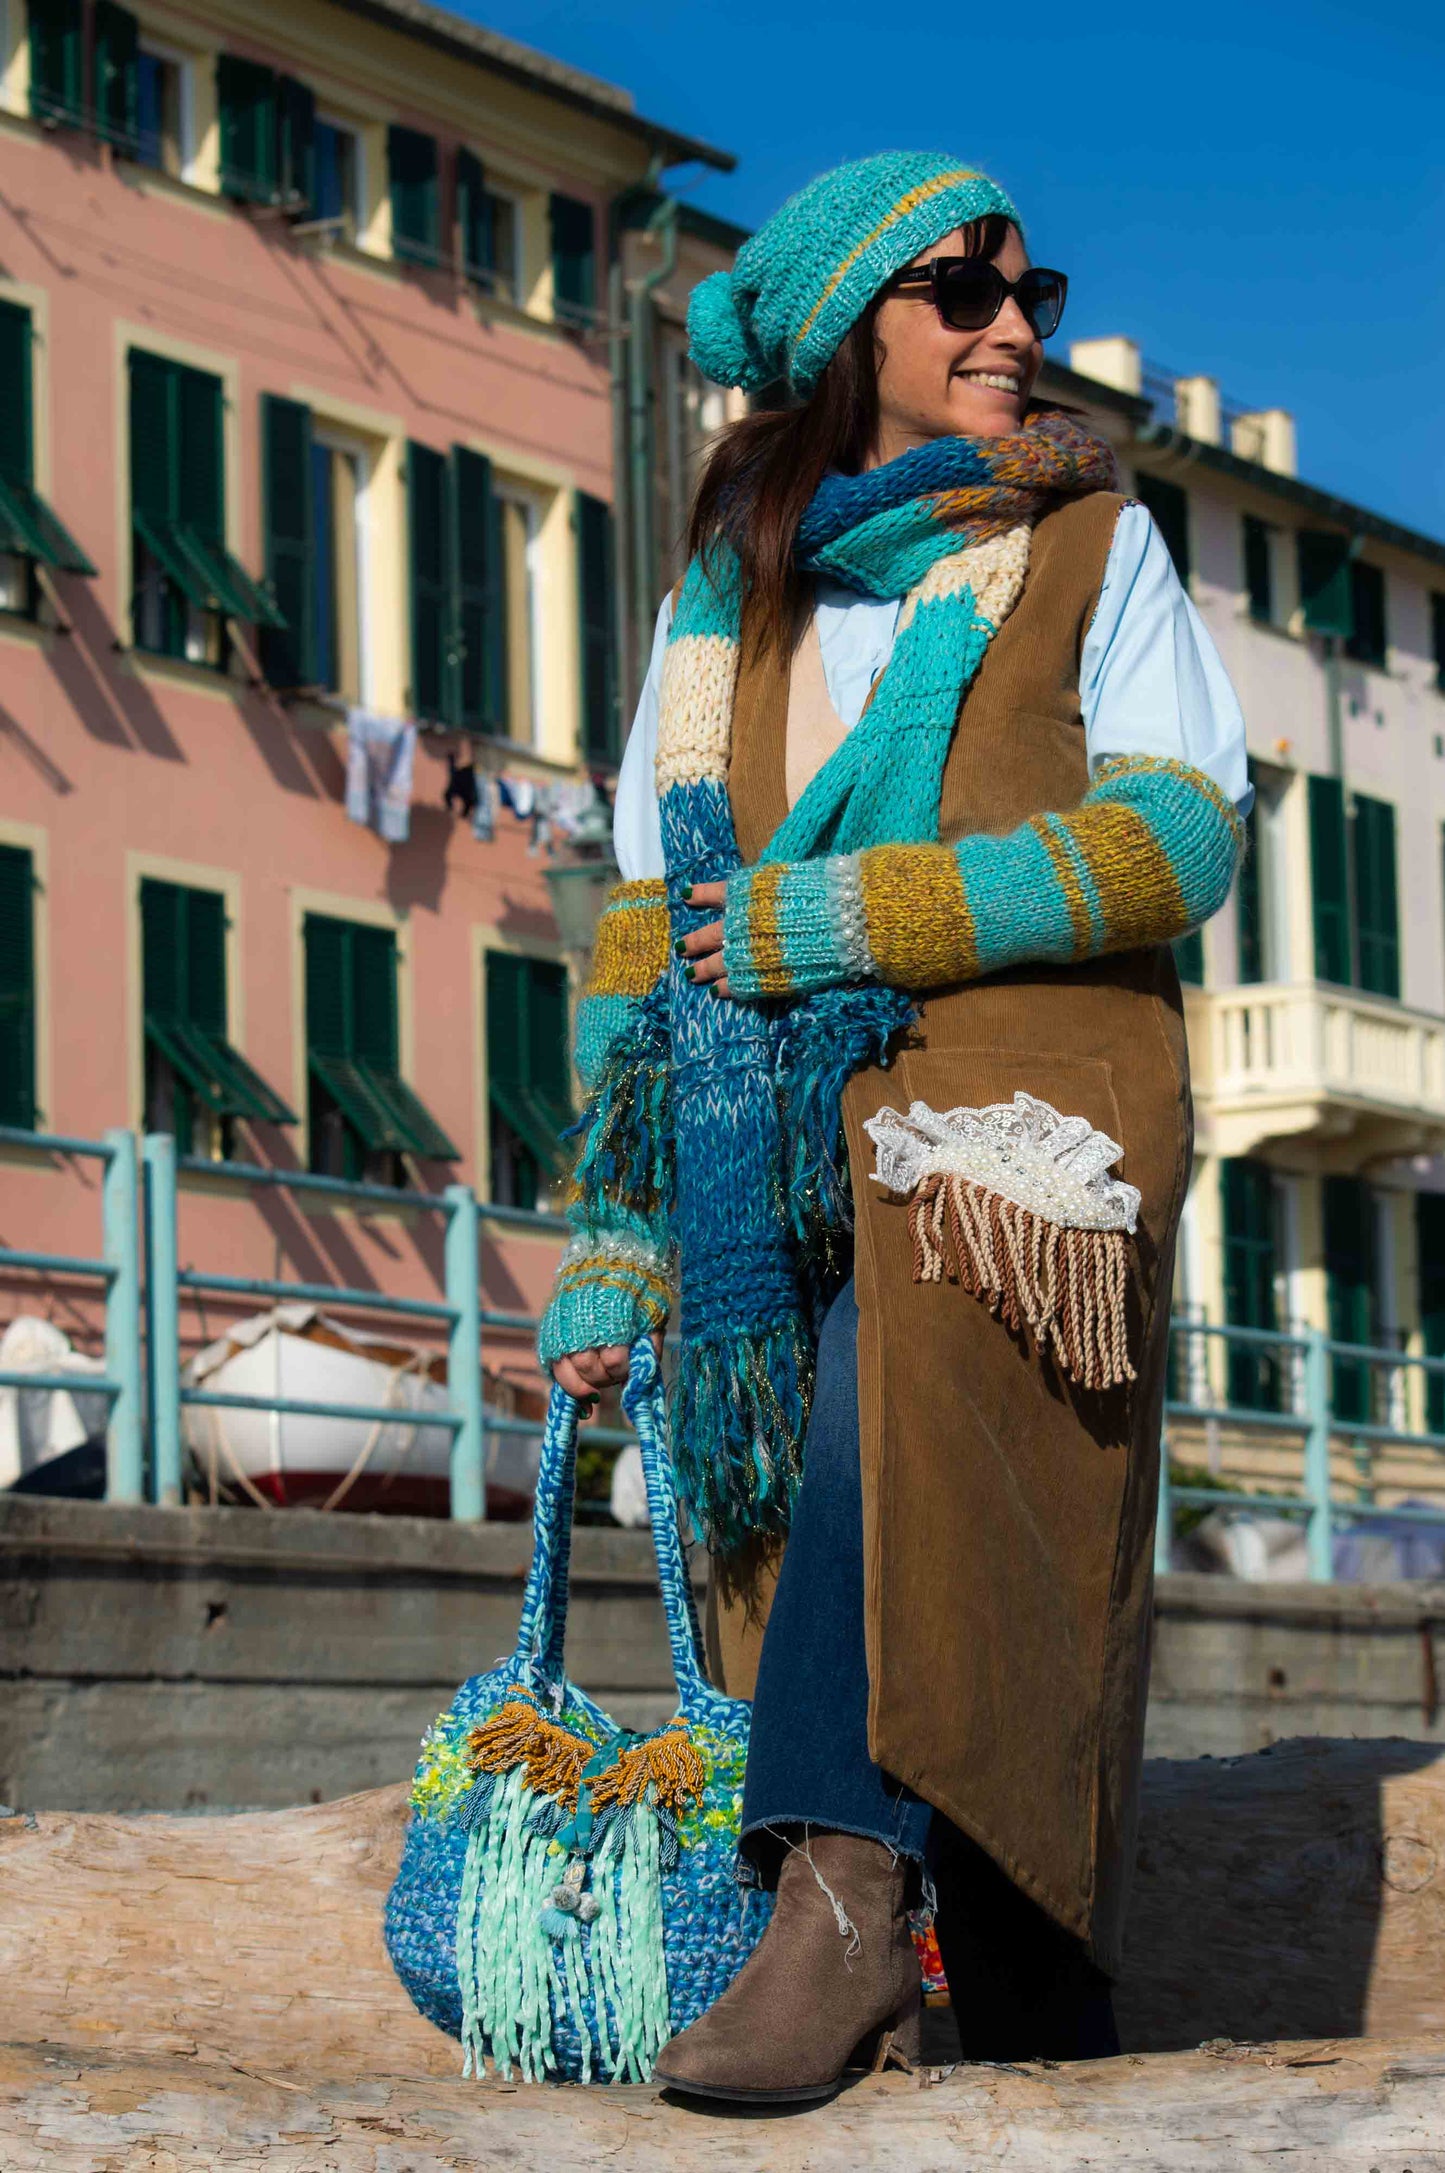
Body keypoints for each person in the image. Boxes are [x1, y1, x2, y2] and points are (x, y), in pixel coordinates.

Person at [538, 151, 1248, 2105]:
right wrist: (613, 1231)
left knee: (926, 1389)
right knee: (867, 1535)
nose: (1014, 327)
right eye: (961, 289)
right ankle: (1016, 2006)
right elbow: (635, 927)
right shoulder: (721, 611)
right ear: (855, 322)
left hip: (1027, 1143)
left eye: (1033, 287)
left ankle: (839, 1902)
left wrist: (872, 914)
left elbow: (1189, 827)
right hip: (771, 1150)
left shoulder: (1097, 546)